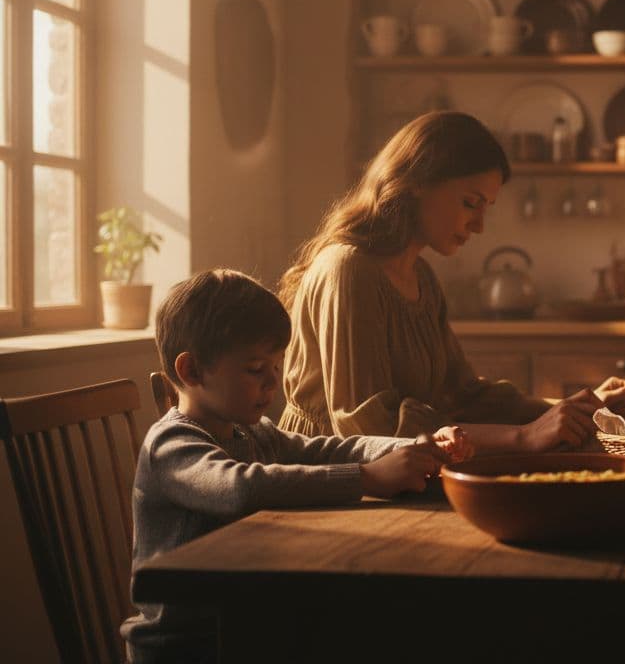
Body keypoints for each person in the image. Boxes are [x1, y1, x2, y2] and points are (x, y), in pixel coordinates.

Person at [122, 269, 473, 663]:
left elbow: (325, 450)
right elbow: (240, 488)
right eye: (256, 369)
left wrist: (413, 446)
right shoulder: (172, 444)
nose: (273, 383)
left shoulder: (251, 433)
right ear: (191, 371)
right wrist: (368, 478)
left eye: (276, 366)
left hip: (246, 628)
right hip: (186, 648)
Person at [275, 111, 625, 451]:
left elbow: (464, 397)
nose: (479, 225)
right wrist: (524, 436)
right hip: (325, 479)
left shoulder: (421, 277)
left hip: (401, 475)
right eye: (470, 203)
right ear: (418, 181)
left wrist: (580, 407)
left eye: (486, 208)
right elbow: (368, 433)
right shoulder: (349, 270)